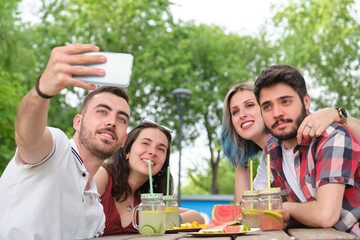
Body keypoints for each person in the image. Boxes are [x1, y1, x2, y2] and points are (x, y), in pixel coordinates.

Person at [0, 44, 131, 239]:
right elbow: (27, 137)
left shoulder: (96, 210)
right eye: (102, 111)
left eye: (122, 119)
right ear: (78, 122)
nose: (112, 121)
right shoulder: (58, 149)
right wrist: (43, 90)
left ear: (123, 141)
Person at [253, 64, 360, 236]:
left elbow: (326, 215)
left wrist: (284, 207)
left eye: (285, 101)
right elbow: (303, 207)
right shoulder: (273, 147)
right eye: (267, 106)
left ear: (306, 101)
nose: (277, 113)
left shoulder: (331, 137)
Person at [221, 82, 360, 202]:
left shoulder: (311, 131)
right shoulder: (269, 157)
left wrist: (335, 114)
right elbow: (246, 210)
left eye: (250, 105)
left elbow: (325, 214)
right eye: (235, 112)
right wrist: (238, 156)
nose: (242, 115)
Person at [94, 121, 205, 236]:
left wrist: (168, 222)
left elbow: (198, 218)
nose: (152, 152)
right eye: (145, 143)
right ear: (127, 151)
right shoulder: (103, 177)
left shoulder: (147, 202)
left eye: (161, 149)